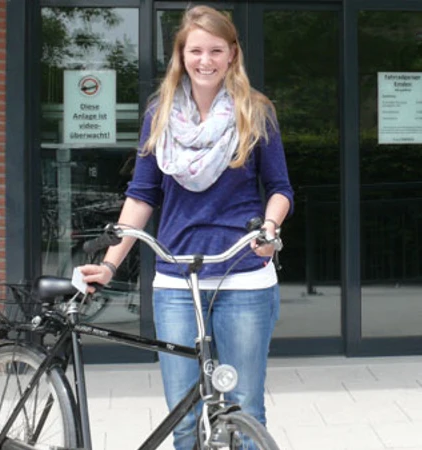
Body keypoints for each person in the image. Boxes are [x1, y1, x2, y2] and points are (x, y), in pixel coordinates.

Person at [76, 5, 292, 450]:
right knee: (185, 417)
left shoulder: (255, 112)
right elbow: (141, 196)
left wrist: (269, 229)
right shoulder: (159, 116)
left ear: (232, 54)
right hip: (175, 280)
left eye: (216, 50)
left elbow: (280, 188)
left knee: (245, 406)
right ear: (181, 54)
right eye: (196, 50)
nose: (206, 60)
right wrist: (111, 264)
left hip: (244, 276)